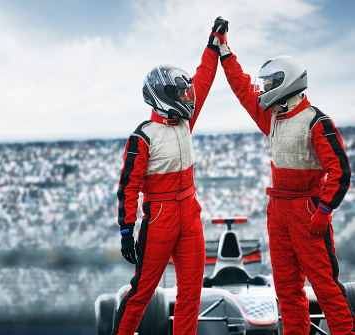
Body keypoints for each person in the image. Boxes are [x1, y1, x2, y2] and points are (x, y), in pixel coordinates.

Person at [209, 17, 355, 335]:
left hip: (306, 211)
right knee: (287, 291)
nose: (263, 90)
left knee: (327, 289)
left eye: (270, 83)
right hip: (278, 211)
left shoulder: (316, 120)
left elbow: (341, 171)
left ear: (286, 82)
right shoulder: (273, 117)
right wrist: (225, 53)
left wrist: (323, 211)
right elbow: (243, 89)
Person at [111, 17, 228, 335]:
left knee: (191, 295)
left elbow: (202, 80)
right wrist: (126, 230)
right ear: (164, 96)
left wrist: (212, 43)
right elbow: (128, 187)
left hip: (190, 214)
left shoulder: (183, 122)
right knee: (141, 294)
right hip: (160, 217)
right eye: (182, 93)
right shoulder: (143, 136)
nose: (189, 96)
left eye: (187, 93)